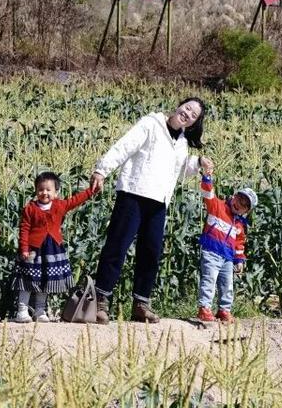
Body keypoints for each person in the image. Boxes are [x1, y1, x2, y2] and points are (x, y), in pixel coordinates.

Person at [90, 97, 213, 325]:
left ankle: (141, 304)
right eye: (187, 108)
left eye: (193, 115)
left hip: (159, 201)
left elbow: (180, 169)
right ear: (179, 106)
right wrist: (102, 170)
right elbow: (125, 146)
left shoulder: (182, 142)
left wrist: (197, 163)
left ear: (194, 122)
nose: (187, 114)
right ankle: (100, 300)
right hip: (133, 193)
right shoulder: (151, 124)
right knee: (117, 247)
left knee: (151, 253)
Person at [14, 171, 96, 323]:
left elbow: (75, 200)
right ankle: (22, 311)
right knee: (27, 280)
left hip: (52, 251)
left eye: (48, 189)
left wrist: (91, 191)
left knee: (46, 280)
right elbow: (24, 229)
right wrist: (24, 248)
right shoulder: (30, 208)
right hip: (33, 251)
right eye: (40, 189)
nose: (44, 193)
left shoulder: (60, 205)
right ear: (36, 190)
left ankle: (40, 310)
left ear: (56, 192)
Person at [197, 171, 257, 324]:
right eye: (239, 199)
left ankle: (224, 310)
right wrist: (207, 178)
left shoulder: (239, 225)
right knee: (209, 279)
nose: (239, 205)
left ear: (246, 211)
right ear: (234, 196)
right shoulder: (217, 206)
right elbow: (208, 194)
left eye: (244, 205)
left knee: (227, 284)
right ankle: (204, 308)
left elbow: (239, 244)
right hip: (211, 251)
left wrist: (239, 260)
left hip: (228, 258)